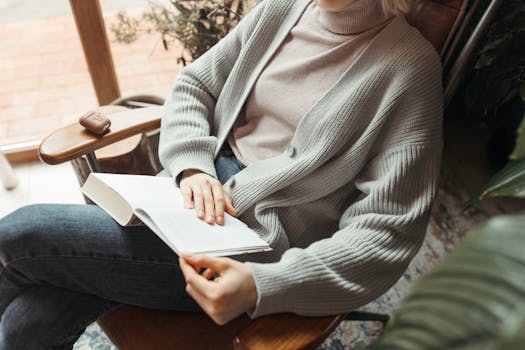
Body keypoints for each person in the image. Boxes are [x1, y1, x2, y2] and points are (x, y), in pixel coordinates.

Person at [0, 0, 442, 348]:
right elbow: (196, 85)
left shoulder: (409, 68)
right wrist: (192, 165)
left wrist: (263, 285)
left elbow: (387, 233)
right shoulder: (283, 9)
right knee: (28, 325)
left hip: (256, 244)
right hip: (192, 197)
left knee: (23, 231)